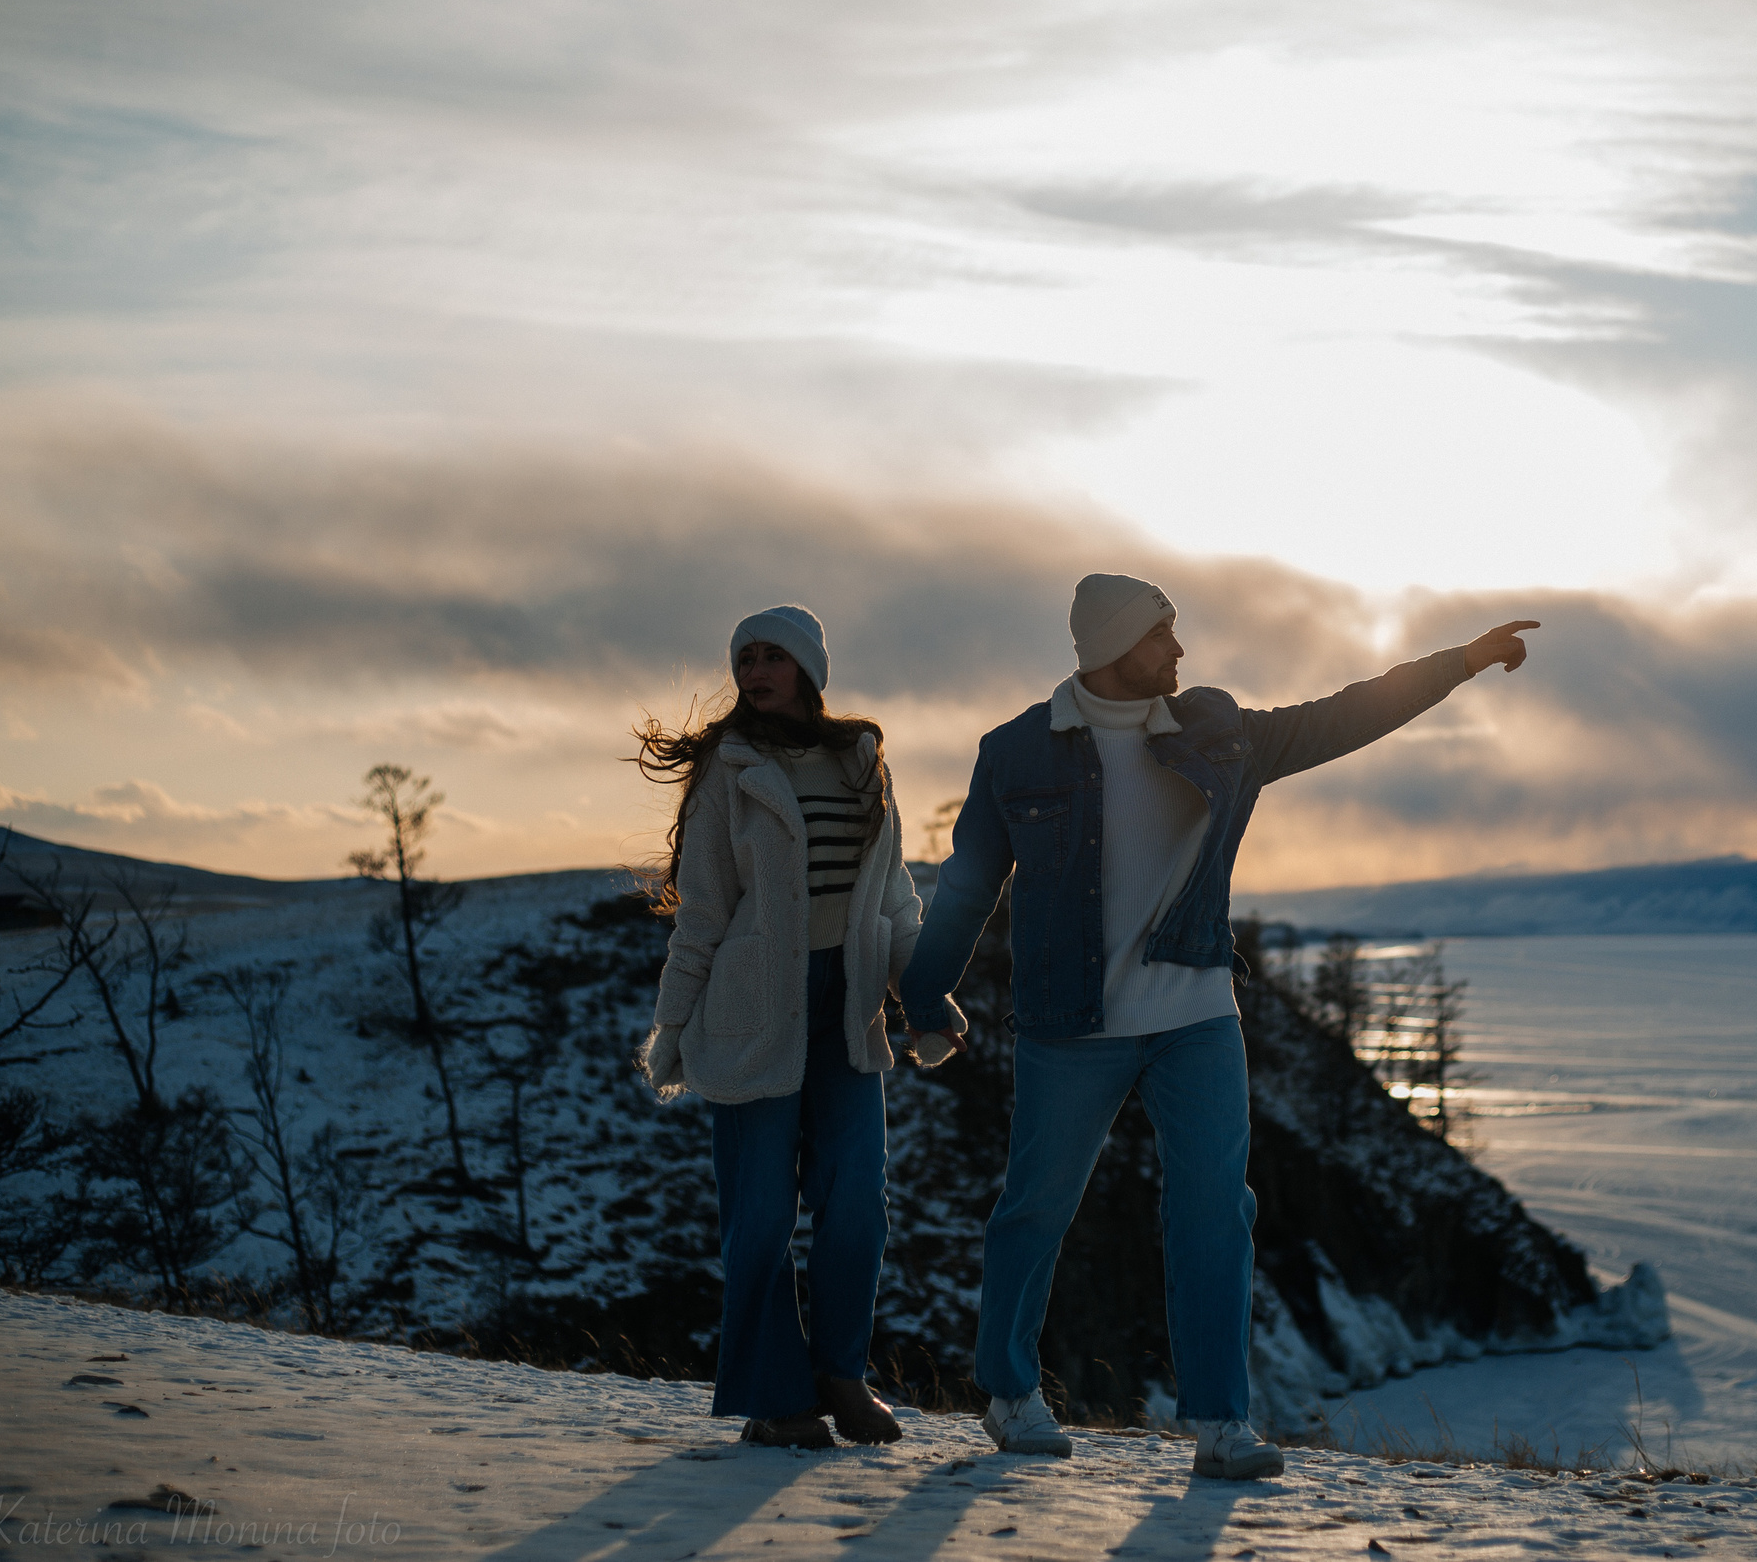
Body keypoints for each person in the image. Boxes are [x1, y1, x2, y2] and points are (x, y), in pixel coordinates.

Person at [898, 573, 1537, 1479]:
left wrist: (1461, 662)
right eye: (1164, 636)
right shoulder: (1016, 753)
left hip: (1196, 1011)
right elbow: (965, 887)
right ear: (1115, 645)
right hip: (1070, 1022)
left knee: (1214, 1211)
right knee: (1037, 1207)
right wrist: (926, 1000)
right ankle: (1009, 1392)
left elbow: (1344, 715)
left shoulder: (1222, 734)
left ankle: (1220, 1421)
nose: (1181, 652)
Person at [632, 604, 967, 1449]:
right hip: (750, 1011)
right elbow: (702, 914)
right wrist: (671, 1024)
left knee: (858, 1199)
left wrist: (925, 999)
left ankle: (840, 1375)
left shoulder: (860, 763)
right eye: (744, 656)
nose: (754, 669)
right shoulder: (727, 767)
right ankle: (777, 1398)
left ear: (811, 666)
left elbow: (894, 901)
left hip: (848, 1006)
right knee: (761, 1212)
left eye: (773, 654)